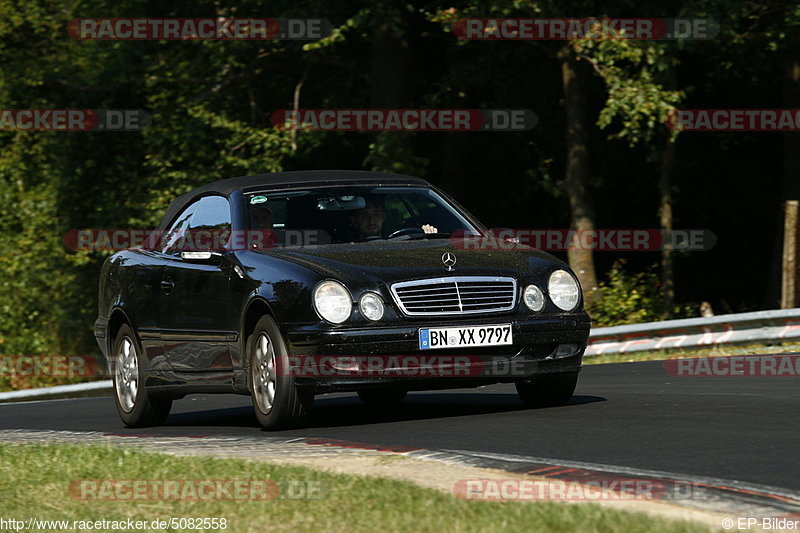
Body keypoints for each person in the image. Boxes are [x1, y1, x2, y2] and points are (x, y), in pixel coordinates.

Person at [349, 196, 438, 240]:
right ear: (354, 220)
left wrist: (429, 237)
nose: (371, 221)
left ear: (383, 216)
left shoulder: (400, 241)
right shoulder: (345, 248)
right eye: (364, 215)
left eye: (376, 214)